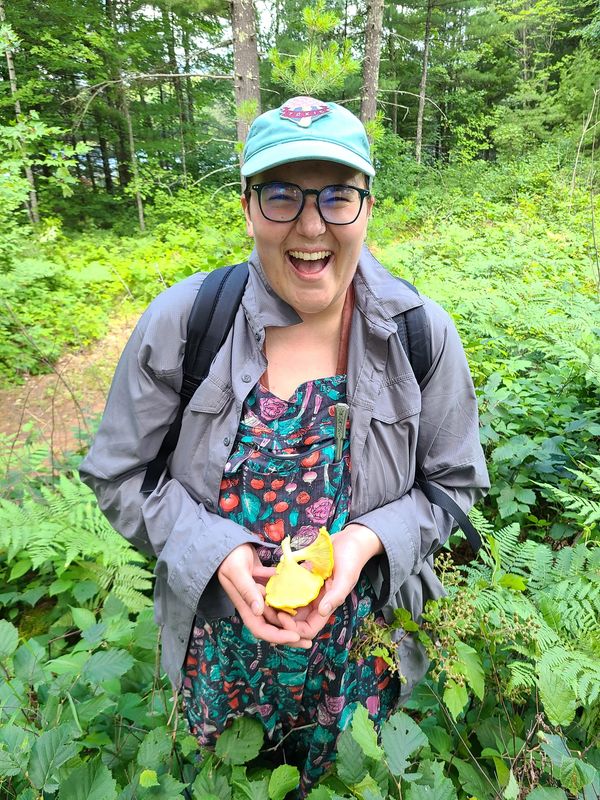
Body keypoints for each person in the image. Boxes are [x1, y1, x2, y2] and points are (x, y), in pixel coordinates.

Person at [80, 96, 489, 794]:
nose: (310, 225)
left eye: (337, 196)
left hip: (364, 656)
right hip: (219, 653)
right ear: (247, 208)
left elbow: (453, 488)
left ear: (366, 207)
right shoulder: (185, 325)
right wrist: (220, 553)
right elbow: (119, 475)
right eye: (281, 195)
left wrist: (365, 543)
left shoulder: (422, 336)